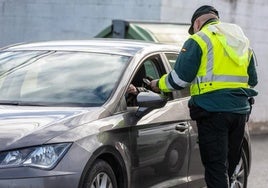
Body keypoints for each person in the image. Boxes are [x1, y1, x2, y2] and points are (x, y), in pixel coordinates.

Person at [150, 5, 258, 188]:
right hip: (240, 112)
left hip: (213, 111)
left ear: (197, 22)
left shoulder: (200, 39)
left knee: (216, 168)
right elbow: (253, 80)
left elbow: (178, 80)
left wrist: (157, 84)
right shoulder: (240, 41)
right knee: (228, 168)